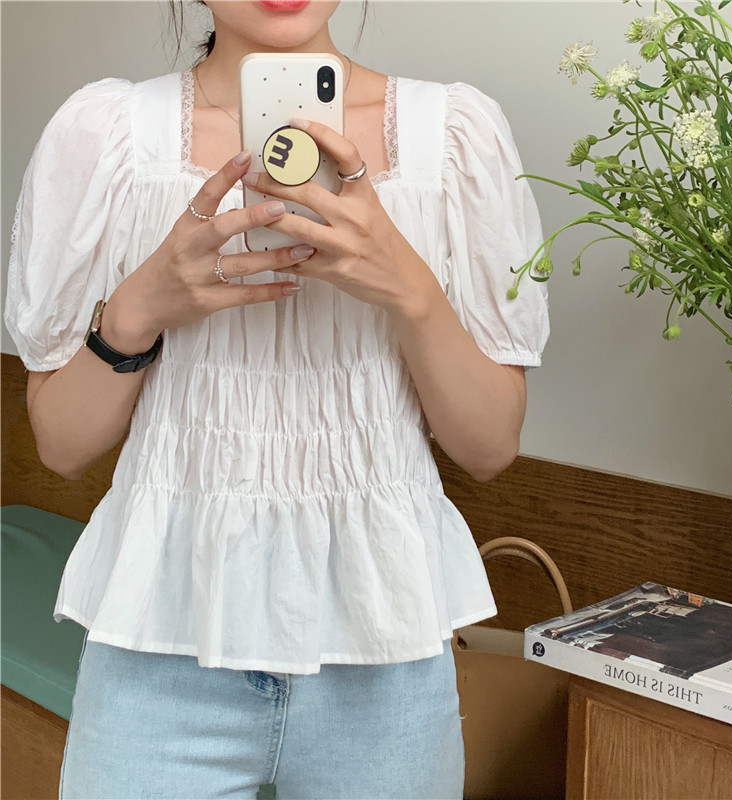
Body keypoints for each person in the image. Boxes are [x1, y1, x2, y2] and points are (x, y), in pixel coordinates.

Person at [4, 1, 549, 797]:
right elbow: (60, 444)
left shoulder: (454, 139)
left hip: (383, 652)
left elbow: (490, 446)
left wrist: (411, 290)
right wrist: (137, 310)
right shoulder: (106, 137)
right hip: (159, 649)